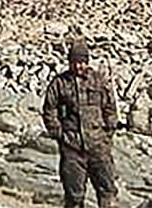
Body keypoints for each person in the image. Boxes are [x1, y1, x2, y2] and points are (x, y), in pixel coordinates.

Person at [42, 40, 120, 208]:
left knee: (107, 192)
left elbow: (110, 108)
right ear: (69, 62)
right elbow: (49, 110)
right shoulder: (59, 83)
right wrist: (60, 135)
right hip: (72, 149)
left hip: (99, 148)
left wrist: (107, 135)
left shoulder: (99, 80)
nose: (78, 66)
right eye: (75, 62)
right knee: (74, 197)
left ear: (87, 61)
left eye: (82, 62)